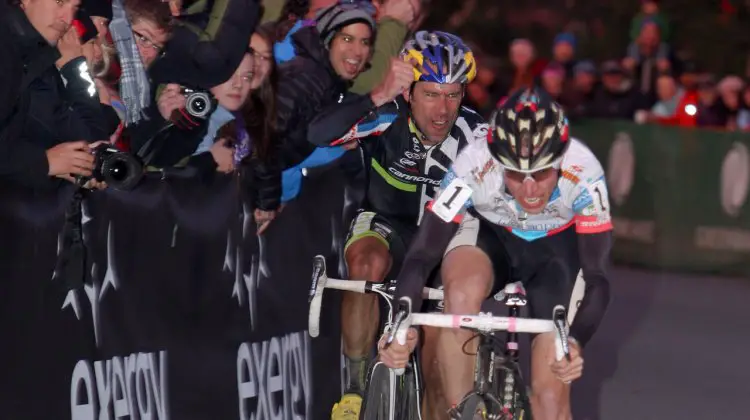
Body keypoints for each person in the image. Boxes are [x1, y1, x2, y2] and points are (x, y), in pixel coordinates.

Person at [380, 88, 613, 420]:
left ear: (561, 162)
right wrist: (398, 326)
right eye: (516, 175)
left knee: (550, 395)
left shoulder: (584, 171)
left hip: (555, 252)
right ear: (498, 163)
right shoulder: (473, 163)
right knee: (459, 294)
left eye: (542, 173)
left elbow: (598, 277)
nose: (530, 190)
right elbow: (422, 254)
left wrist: (573, 342)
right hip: (491, 237)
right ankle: (462, 411)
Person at [307, 30, 482, 419]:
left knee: (440, 350)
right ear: (408, 92)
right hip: (389, 225)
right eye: (431, 94)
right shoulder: (386, 116)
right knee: (364, 267)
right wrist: (375, 94)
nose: (443, 110)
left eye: (453, 94)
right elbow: (317, 134)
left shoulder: (474, 133)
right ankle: (353, 390)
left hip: (444, 241)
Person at [0, 0, 113, 188]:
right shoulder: (17, 55)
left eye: (74, 7)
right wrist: (76, 69)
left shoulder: (33, 57)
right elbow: (87, 135)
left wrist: (65, 164)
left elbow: (92, 147)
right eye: (60, 2)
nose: (67, 18)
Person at [275, 1, 376, 202]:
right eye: (347, 38)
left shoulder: (322, 67)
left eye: (364, 42)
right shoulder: (306, 72)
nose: (357, 51)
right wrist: (281, 198)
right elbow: (284, 153)